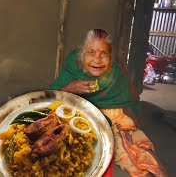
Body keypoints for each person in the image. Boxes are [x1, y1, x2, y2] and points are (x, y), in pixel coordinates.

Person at [49, 29, 167, 176]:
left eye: (104, 54)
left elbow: (129, 101)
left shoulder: (116, 73)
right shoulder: (73, 69)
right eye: (91, 53)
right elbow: (50, 98)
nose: (97, 60)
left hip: (117, 117)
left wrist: (129, 124)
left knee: (141, 150)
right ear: (82, 55)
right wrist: (68, 88)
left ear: (110, 59)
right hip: (84, 116)